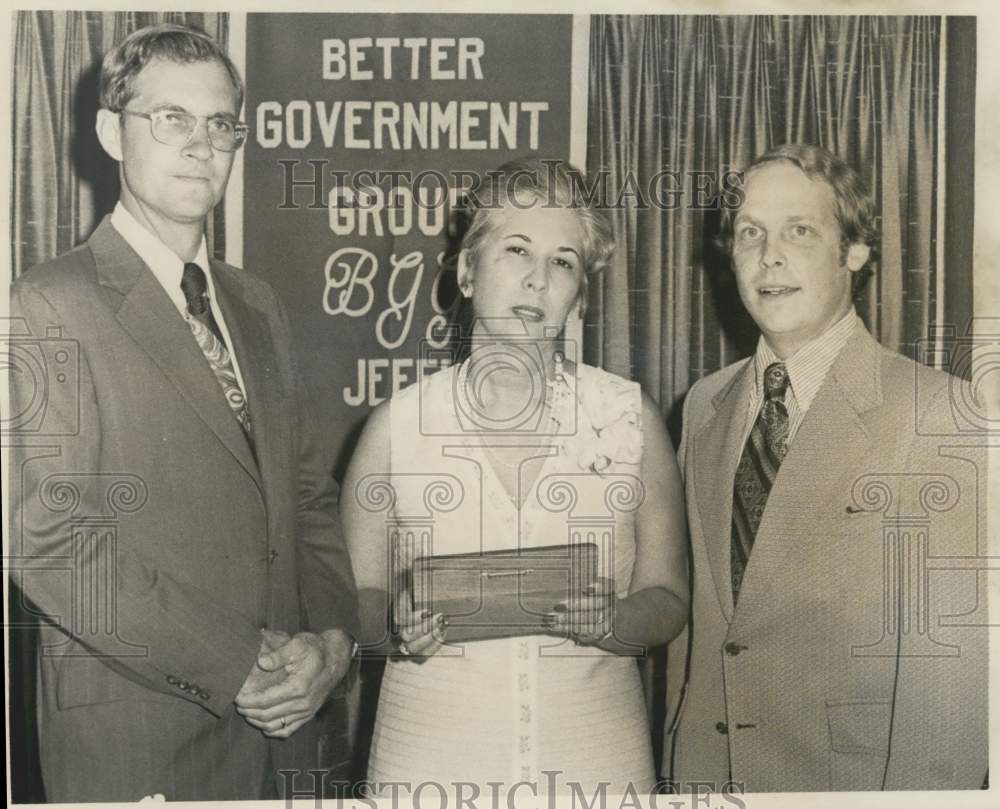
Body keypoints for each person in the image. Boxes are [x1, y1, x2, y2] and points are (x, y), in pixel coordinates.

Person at [9, 24, 358, 801]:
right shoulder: (47, 302)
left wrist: (331, 642)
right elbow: (48, 540)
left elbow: (307, 498)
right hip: (140, 736)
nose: (201, 144)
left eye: (220, 123)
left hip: (284, 741)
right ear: (110, 131)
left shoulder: (256, 303)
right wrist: (238, 662)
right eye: (171, 118)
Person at [342, 158, 689, 795]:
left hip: (595, 761)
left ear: (579, 296)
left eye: (563, 262)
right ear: (468, 272)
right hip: (426, 762)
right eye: (517, 250)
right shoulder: (395, 427)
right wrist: (395, 617)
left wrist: (613, 622)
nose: (537, 279)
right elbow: (353, 597)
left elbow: (668, 597)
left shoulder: (629, 416)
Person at [666, 144, 987, 791]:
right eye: (750, 232)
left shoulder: (942, 415)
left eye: (800, 231)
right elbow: (698, 645)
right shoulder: (703, 406)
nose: (769, 255)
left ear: (856, 251)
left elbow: (953, 695)